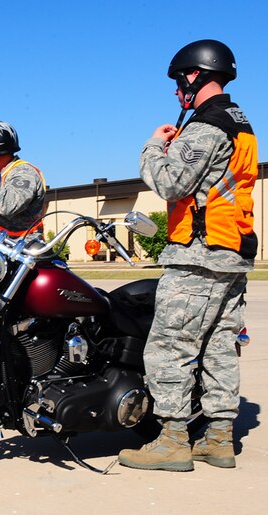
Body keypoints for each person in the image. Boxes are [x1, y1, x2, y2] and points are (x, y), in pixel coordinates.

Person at [118, 40, 257, 472]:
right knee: (217, 347)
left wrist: (153, 146)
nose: (178, 92)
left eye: (180, 82)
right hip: (231, 251)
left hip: (199, 253)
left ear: (194, 75)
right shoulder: (241, 123)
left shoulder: (206, 125)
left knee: (168, 347)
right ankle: (218, 438)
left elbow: (170, 183)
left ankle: (173, 439)